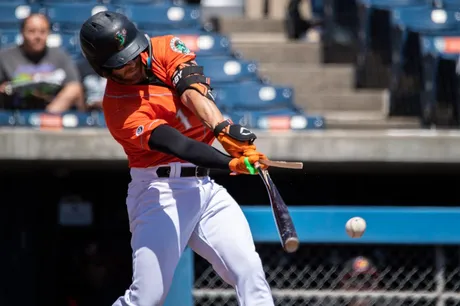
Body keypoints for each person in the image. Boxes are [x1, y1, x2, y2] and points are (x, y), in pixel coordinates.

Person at [79, 11, 274, 306]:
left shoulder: (165, 46)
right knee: (147, 297)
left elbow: (191, 90)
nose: (131, 64)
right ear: (103, 69)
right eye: (121, 64)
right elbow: (177, 144)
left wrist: (223, 130)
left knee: (248, 270)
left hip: (205, 190)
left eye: (133, 54)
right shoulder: (118, 107)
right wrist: (229, 162)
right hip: (158, 193)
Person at [0, 13, 84, 112]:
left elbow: (75, 87)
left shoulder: (60, 56)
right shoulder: (5, 56)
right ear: (22, 32)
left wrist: (50, 113)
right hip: (15, 111)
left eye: (42, 31)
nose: (37, 36)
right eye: (32, 31)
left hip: (53, 109)